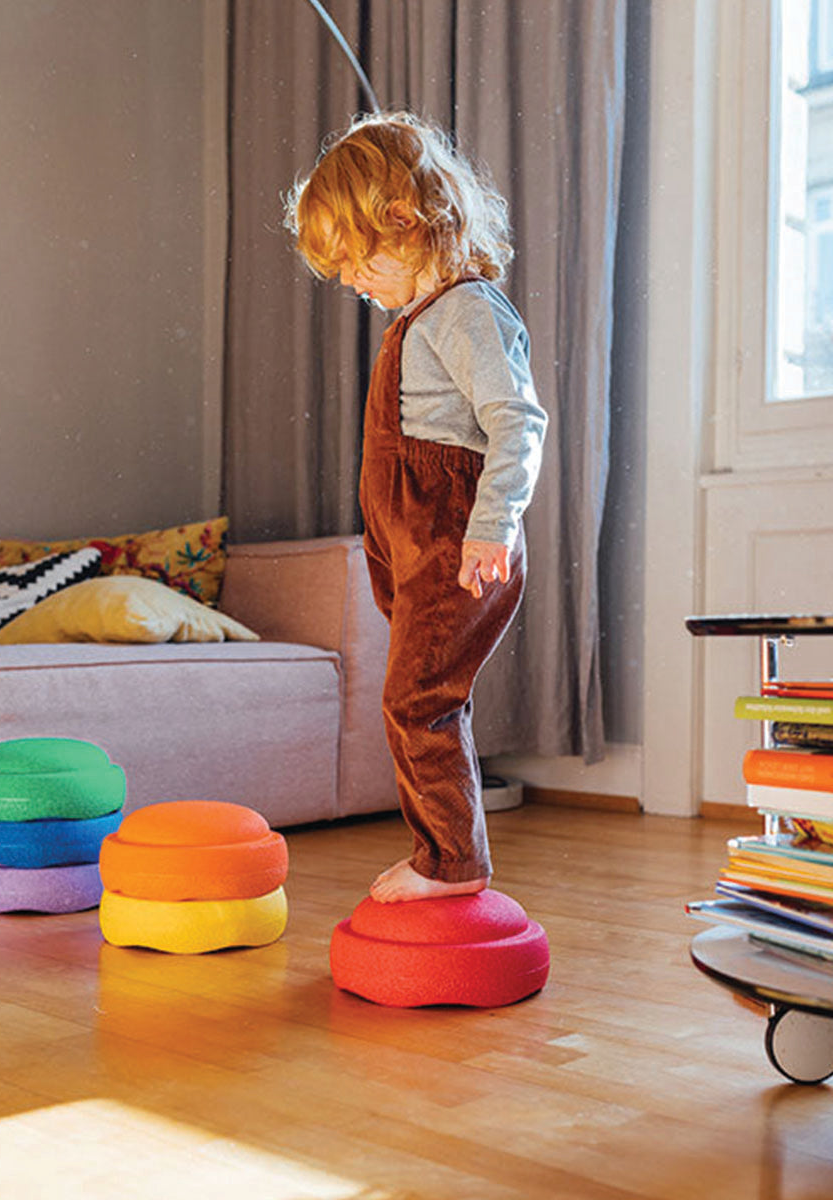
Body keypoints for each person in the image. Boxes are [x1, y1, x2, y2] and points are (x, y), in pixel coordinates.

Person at [285, 112, 547, 903]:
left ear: (405, 221)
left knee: (417, 702)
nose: (350, 282)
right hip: (412, 544)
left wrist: (492, 527)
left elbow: (517, 420)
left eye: (357, 261)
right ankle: (445, 854)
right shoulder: (422, 319)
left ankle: (450, 864)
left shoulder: (467, 310)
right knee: (420, 701)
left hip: (455, 541)